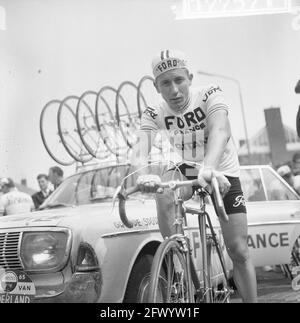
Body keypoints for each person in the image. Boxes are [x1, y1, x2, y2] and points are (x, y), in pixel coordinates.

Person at [131, 49, 257, 303]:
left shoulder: (209, 93)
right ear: (157, 87)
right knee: (164, 189)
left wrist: (209, 168)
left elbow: (220, 130)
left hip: (222, 170)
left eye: (179, 80)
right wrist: (143, 176)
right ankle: (181, 263)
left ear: (189, 77)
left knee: (239, 250)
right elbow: (139, 149)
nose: (174, 90)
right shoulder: (154, 112)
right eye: (166, 83)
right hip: (190, 167)